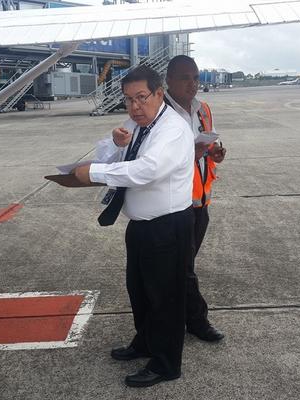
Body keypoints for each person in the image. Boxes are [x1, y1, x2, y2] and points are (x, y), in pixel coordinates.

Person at [73, 65, 194, 387]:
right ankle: (146, 342)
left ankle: (166, 363)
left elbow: (146, 170)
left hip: (167, 226)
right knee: (140, 291)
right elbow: (111, 155)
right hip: (141, 226)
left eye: (141, 97)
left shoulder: (172, 129)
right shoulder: (137, 123)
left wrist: (94, 173)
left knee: (165, 298)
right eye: (128, 99)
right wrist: (115, 144)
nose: (134, 106)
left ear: (159, 94)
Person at [164, 55, 226, 342]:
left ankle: (177, 319)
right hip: (174, 205)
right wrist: (191, 154)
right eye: (185, 78)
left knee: (183, 267)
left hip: (200, 202)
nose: (193, 84)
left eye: (196, 78)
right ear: (168, 80)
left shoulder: (203, 109)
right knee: (184, 267)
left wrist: (214, 153)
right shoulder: (160, 112)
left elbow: (207, 144)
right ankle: (196, 320)